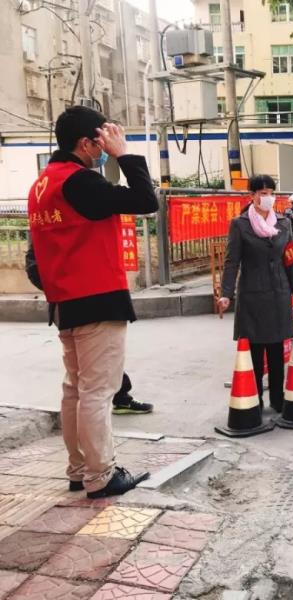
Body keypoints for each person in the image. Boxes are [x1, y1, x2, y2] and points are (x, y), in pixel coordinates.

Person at [27, 106, 157, 498]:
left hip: (66, 303)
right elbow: (145, 200)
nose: (105, 148)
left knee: (76, 390)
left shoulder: (42, 184)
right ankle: (101, 475)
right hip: (97, 299)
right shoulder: (79, 181)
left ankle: (80, 468)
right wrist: (124, 155)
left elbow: (38, 257)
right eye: (102, 140)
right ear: (86, 143)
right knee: (98, 392)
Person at [25, 246, 153, 416]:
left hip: (69, 306)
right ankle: (119, 399)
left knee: (84, 379)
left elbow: (33, 264)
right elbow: (33, 264)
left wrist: (60, 288)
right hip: (85, 305)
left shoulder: (46, 229)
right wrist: (64, 287)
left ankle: (120, 397)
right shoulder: (72, 229)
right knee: (93, 386)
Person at [218, 174, 293, 413]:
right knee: (255, 351)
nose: (268, 197)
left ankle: (277, 399)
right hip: (252, 294)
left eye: (271, 193)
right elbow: (231, 262)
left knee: (277, 351)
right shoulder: (240, 224)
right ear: (252, 196)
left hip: (279, 293)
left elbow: (290, 259)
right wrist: (226, 293)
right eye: (263, 193)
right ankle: (254, 399)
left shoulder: (283, 223)